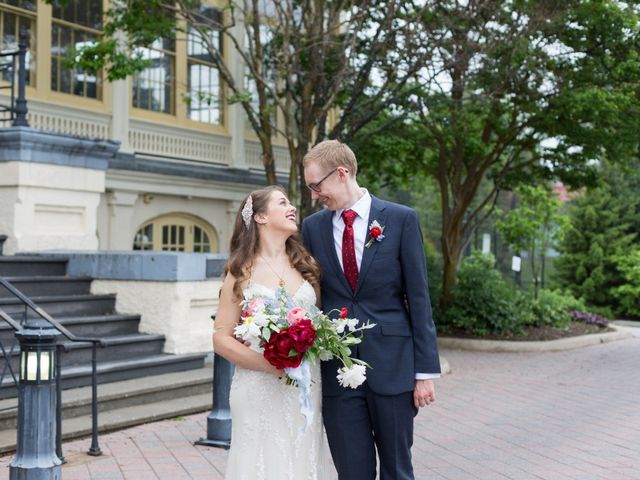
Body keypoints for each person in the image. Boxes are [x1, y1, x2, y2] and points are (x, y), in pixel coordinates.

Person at [301, 140, 441, 480]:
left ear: (342, 173)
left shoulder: (400, 219)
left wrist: (424, 373)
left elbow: (419, 299)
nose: (314, 195)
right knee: (351, 470)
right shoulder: (312, 228)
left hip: (393, 366)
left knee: (397, 468)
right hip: (338, 368)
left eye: (316, 185)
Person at [213, 185, 333, 479]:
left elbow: (320, 322)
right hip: (259, 386)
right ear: (261, 217)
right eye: (283, 202)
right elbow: (220, 338)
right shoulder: (240, 270)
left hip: (306, 385)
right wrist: (272, 365)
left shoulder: (306, 266)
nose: (292, 207)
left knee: (303, 457)